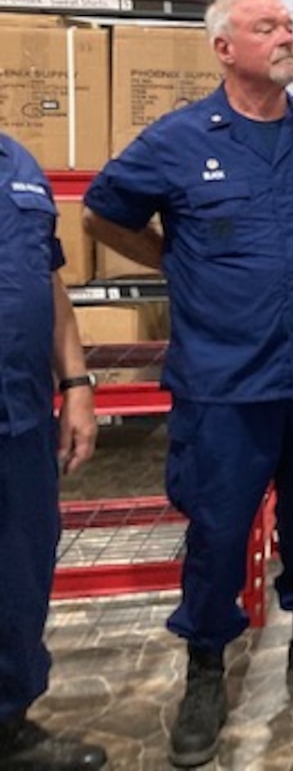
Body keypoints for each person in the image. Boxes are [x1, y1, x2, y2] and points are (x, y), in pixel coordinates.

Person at [82, 0, 293, 769]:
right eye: (267, 26)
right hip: (225, 381)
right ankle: (206, 672)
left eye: (288, 24)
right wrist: (177, 264)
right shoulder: (179, 140)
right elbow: (103, 214)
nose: (287, 35)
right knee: (218, 531)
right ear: (225, 48)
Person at [0, 133, 108, 770]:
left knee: (20, 571)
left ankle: (10, 725)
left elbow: (50, 281)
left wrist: (76, 385)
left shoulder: (19, 165)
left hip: (20, 414)